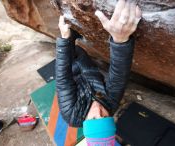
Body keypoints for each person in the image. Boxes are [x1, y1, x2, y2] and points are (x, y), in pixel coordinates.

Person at [56, 0, 142, 145]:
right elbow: (119, 76)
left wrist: (65, 40)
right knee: (80, 48)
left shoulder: (70, 114)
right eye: (105, 116)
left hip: (71, 69)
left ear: (85, 122)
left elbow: (63, 79)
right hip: (87, 66)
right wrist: (120, 40)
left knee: (68, 40)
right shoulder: (111, 104)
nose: (98, 110)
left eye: (93, 119)